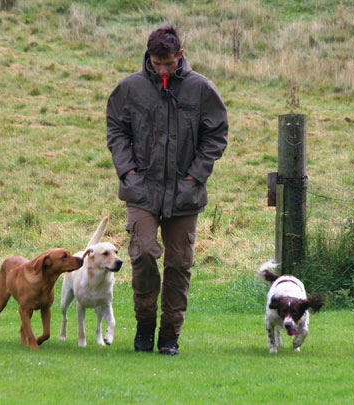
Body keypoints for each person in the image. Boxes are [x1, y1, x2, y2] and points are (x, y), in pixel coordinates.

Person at [106, 25, 228, 355]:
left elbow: (217, 135)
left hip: (185, 193)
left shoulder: (201, 89)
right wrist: (128, 171)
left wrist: (195, 176)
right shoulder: (129, 88)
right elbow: (116, 129)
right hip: (141, 190)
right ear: (149, 57)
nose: (163, 69)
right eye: (157, 62)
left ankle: (169, 336)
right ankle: (145, 326)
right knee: (143, 253)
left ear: (180, 56)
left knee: (179, 263)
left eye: (169, 63)